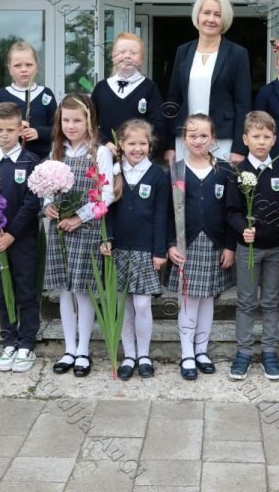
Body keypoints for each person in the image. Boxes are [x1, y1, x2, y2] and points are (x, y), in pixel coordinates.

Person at [44, 94, 115, 377]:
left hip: (86, 228)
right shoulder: (56, 150)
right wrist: (47, 205)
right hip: (60, 228)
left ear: (89, 121)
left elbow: (107, 195)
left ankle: (83, 349)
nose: (71, 126)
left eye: (77, 120)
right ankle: (69, 348)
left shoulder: (100, 152)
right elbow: (46, 186)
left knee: (83, 290)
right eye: (66, 120)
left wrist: (79, 217)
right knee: (65, 289)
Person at [225, 111, 279, 381]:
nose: (261, 141)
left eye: (266, 136)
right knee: (246, 302)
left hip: (276, 249)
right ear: (245, 139)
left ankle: (269, 353)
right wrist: (243, 228)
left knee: (271, 301)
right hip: (248, 249)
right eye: (256, 136)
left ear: (274, 139)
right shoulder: (238, 172)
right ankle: (243, 353)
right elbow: (231, 210)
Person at [168, 114, 235, 380]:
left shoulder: (225, 171)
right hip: (186, 244)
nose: (198, 140)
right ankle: (187, 353)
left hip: (215, 244)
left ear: (213, 139)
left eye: (204, 136)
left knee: (208, 298)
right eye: (192, 136)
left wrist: (230, 246)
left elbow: (232, 211)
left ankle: (201, 351)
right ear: (184, 139)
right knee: (188, 298)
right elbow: (166, 212)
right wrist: (170, 244)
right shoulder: (176, 171)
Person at [102, 119, 169, 380]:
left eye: (143, 143)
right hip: (119, 249)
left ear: (149, 145)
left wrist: (159, 251)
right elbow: (106, 211)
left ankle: (144, 354)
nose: (137, 148)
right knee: (124, 304)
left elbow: (162, 216)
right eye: (132, 143)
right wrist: (106, 238)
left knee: (142, 304)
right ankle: (129, 355)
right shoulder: (114, 173)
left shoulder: (157, 175)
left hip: (145, 250)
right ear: (121, 144)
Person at [0, 102, 42, 373]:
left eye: (10, 130)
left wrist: (12, 233)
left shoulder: (31, 162)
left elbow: (32, 203)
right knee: (3, 290)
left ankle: (27, 342)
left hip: (22, 240)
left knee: (25, 290)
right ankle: (9, 341)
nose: (4, 135)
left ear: (20, 130)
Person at [164, 0, 251, 165]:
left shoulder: (238, 54)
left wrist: (239, 148)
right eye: (206, 13)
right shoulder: (183, 51)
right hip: (185, 139)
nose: (211, 19)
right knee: (184, 182)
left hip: (222, 140)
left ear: (224, 20)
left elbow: (243, 104)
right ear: (198, 16)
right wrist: (169, 144)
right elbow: (173, 100)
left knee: (221, 182)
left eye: (217, 15)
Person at [91, 32, 167, 155]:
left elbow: (158, 124)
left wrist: (138, 146)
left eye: (133, 53)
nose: (127, 56)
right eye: (122, 52)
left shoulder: (149, 88)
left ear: (141, 60)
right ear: (113, 57)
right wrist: (105, 142)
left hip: (138, 155)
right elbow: (90, 122)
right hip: (105, 154)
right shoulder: (101, 88)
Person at [0, 40, 57, 161]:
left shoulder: (46, 94)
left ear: (36, 66)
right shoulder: (2, 96)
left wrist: (39, 132)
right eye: (17, 65)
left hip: (42, 160)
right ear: (9, 69)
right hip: (9, 160)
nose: (23, 69)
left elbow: (58, 128)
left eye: (29, 65)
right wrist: (13, 127)